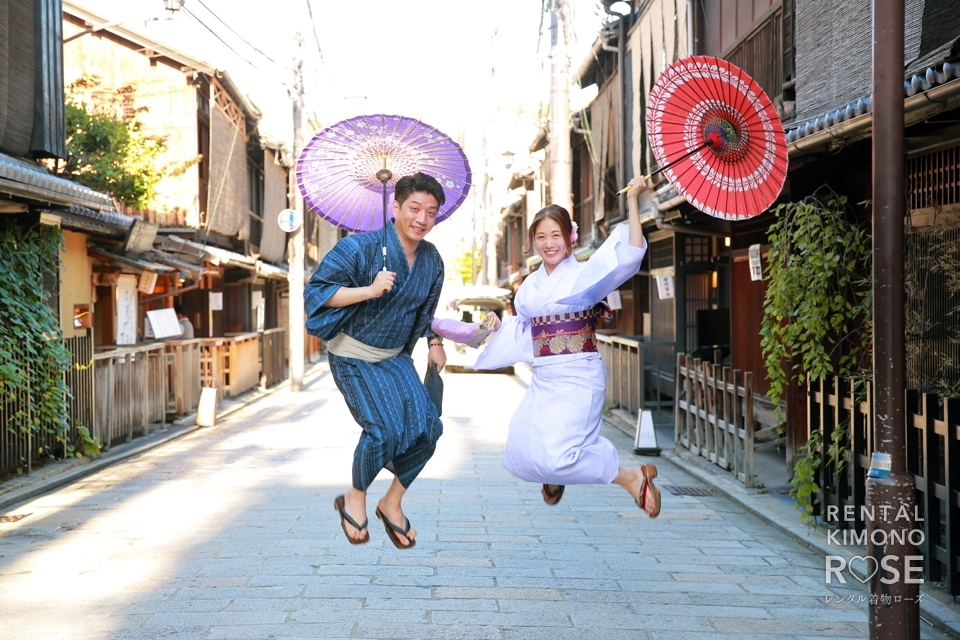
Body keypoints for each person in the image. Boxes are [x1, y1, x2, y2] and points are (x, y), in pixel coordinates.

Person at [472, 177, 661, 517]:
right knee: (518, 451)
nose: (548, 243)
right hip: (544, 376)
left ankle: (631, 477)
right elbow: (521, 330)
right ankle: (554, 471)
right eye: (541, 237)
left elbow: (629, 257)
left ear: (570, 237)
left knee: (555, 458)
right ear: (533, 241)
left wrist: (633, 199)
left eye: (555, 235)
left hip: (578, 377)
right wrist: (493, 328)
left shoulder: (584, 276)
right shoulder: (530, 287)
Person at [304, 172, 447, 549]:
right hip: (352, 354)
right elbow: (316, 294)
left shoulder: (432, 260)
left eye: (431, 212)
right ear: (395, 206)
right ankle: (356, 494)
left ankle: (391, 502)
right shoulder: (359, 248)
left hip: (395, 357)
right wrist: (368, 290)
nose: (422, 218)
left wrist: (434, 341)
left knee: (428, 428)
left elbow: (427, 310)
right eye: (414, 208)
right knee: (384, 430)